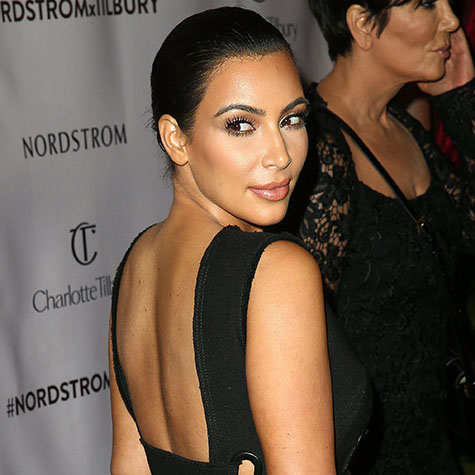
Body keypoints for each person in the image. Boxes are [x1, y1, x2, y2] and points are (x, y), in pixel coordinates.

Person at [108, 7, 372, 475]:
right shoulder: (275, 271)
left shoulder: (135, 266)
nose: (280, 155)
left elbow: (128, 466)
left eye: (292, 119)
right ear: (176, 139)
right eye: (241, 125)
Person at [298, 0, 475, 473]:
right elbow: (298, 355)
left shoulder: (406, 129)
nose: (451, 20)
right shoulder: (317, 153)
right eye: (426, 3)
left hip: (434, 448)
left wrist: (459, 102)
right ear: (362, 24)